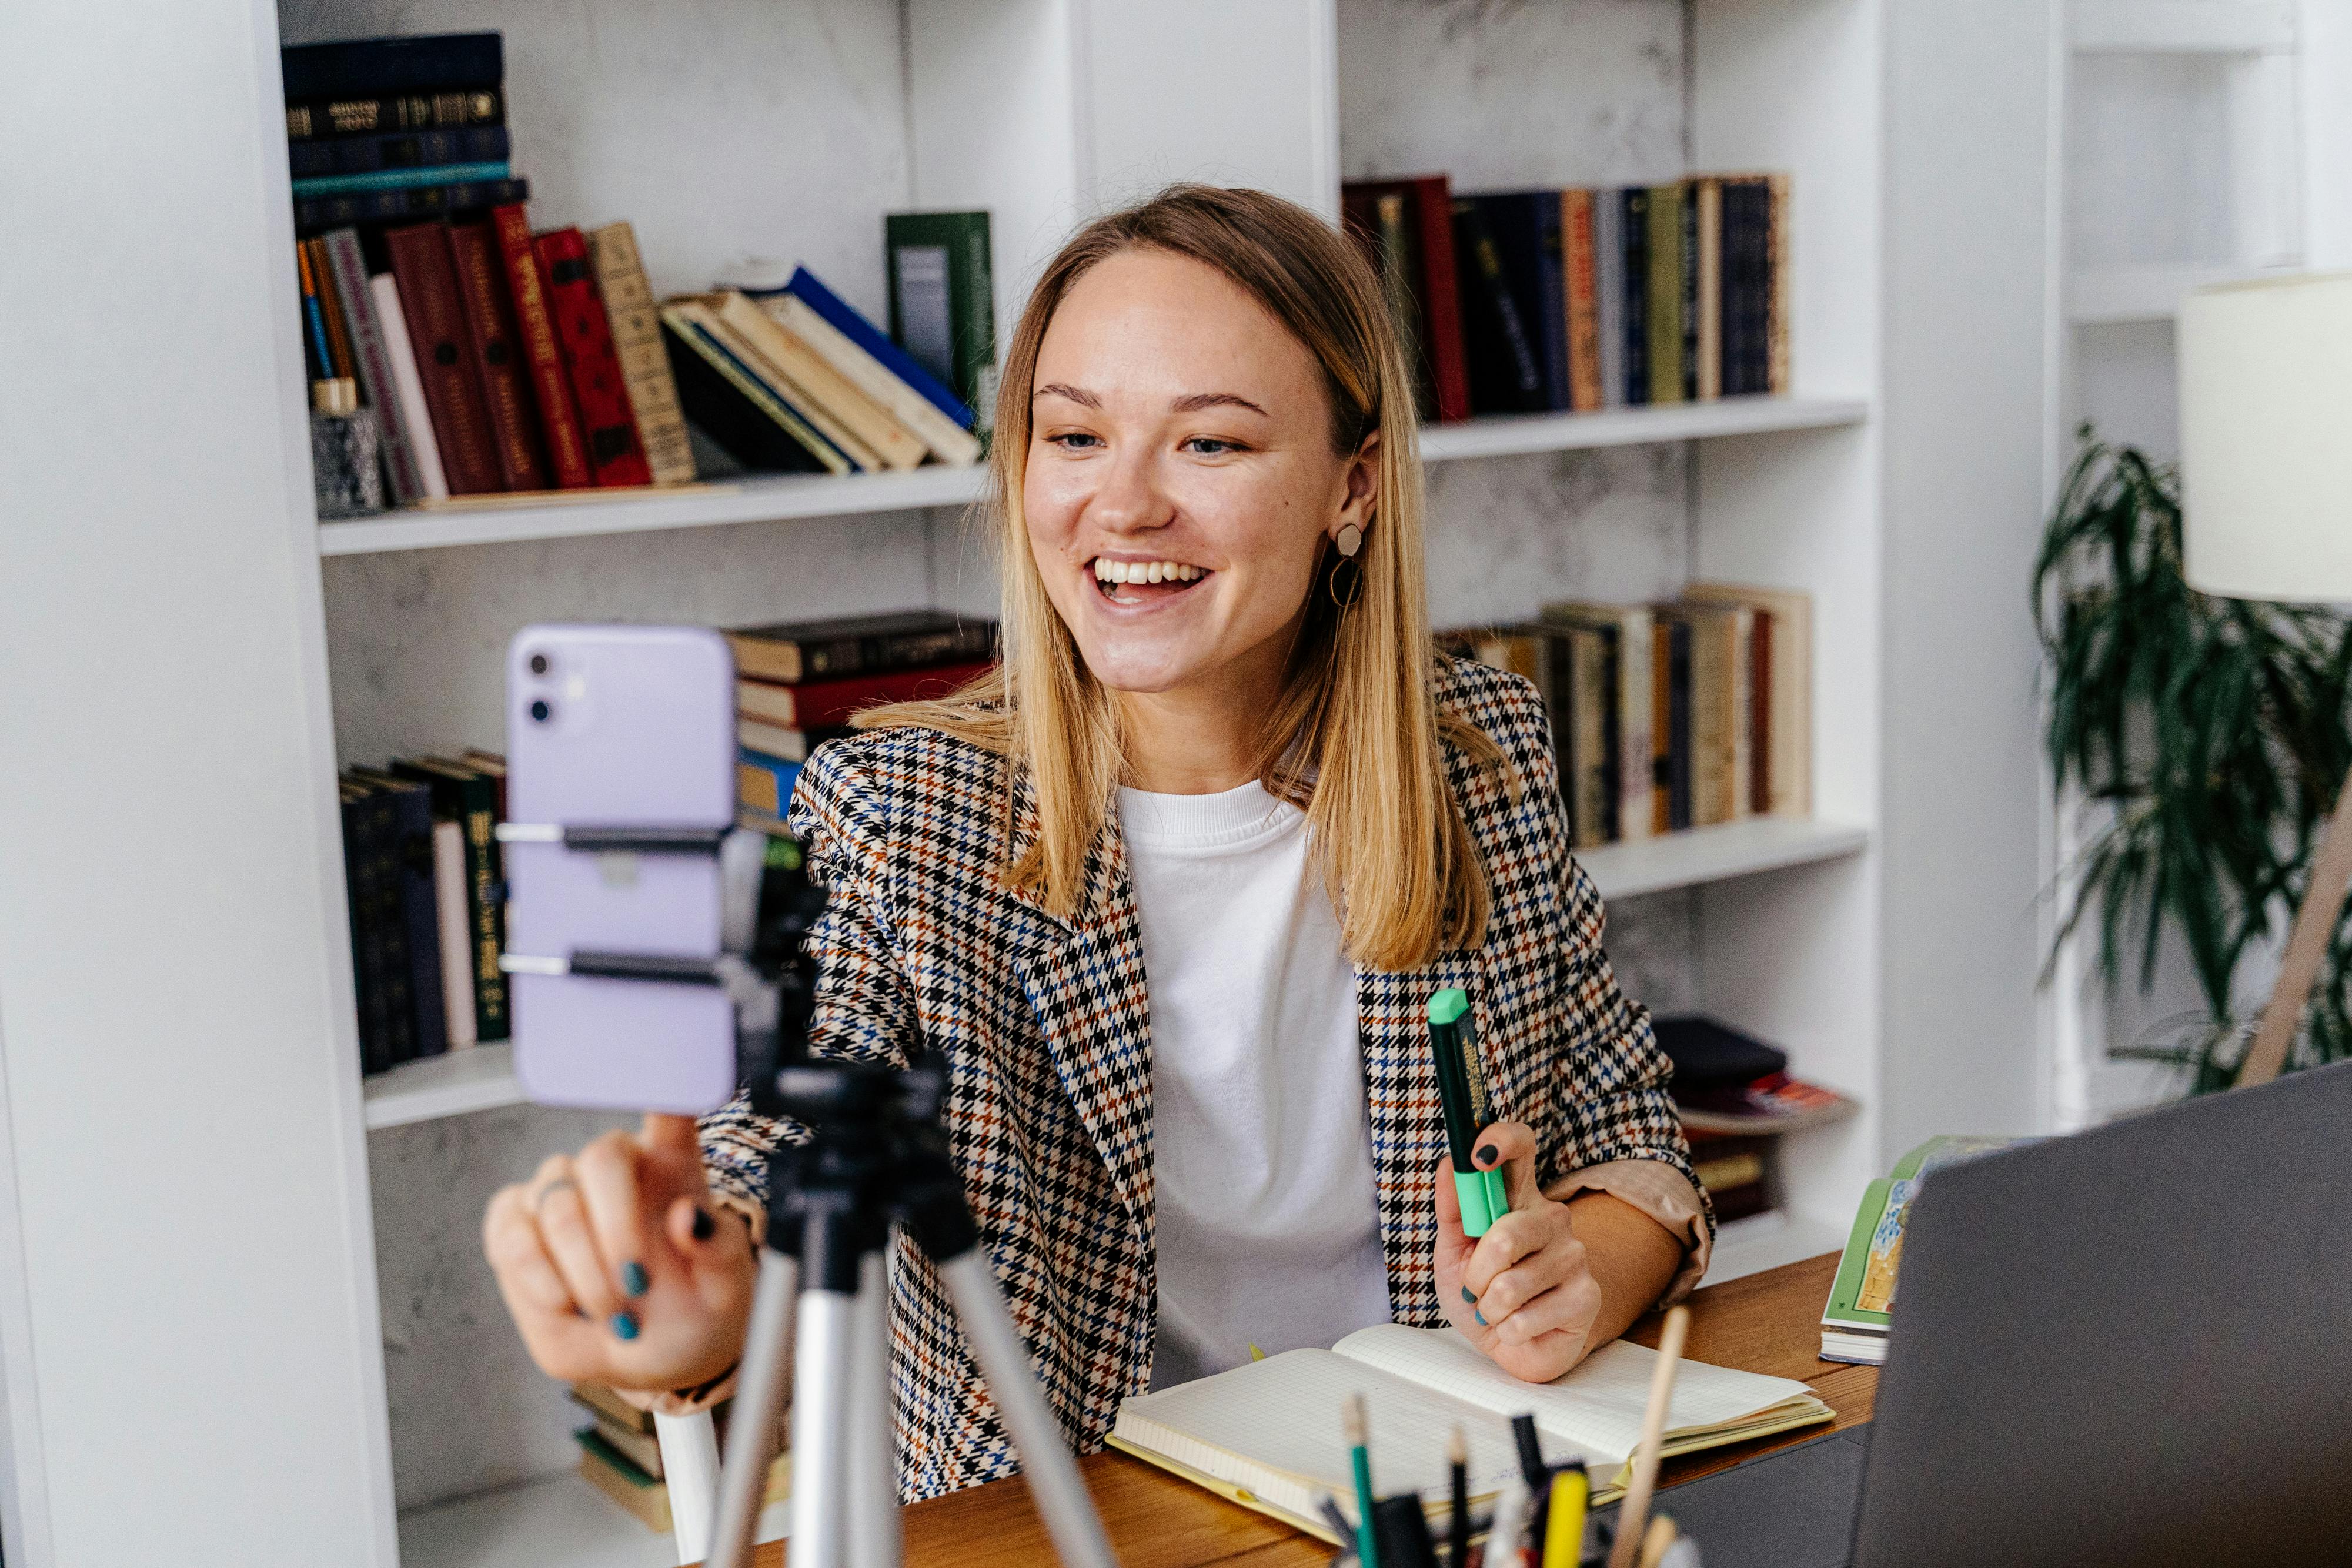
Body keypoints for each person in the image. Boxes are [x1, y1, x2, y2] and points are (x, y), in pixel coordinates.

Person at [483, 183, 1712, 1502]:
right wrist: (696, 1286)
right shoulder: (900, 814)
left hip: (1432, 1486)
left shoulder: (1477, 749)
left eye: (1210, 446)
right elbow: (773, 1146)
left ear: (1350, 489)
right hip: (1084, 1514)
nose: (1120, 507)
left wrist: (1577, 1269)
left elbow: (1623, 1121)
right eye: (1072, 435)